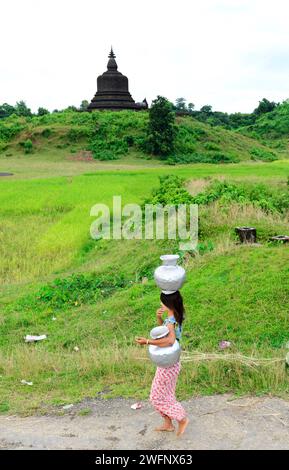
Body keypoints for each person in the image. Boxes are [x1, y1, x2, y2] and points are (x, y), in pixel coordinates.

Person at [136, 290, 189, 436]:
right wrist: (159, 318)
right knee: (167, 394)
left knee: (156, 397)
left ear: (169, 304)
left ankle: (181, 418)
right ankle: (168, 424)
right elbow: (165, 332)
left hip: (168, 366)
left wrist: (147, 341)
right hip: (172, 363)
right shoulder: (175, 316)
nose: (160, 304)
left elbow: (169, 340)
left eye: (162, 302)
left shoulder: (171, 320)